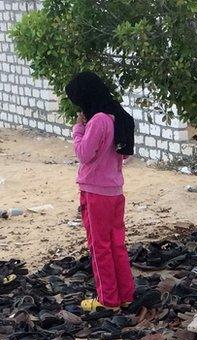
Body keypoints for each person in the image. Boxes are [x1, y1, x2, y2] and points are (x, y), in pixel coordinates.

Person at [65, 72, 137, 311]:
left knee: (99, 247)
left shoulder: (97, 121)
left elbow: (84, 154)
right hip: (115, 190)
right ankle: (125, 294)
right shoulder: (117, 118)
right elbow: (123, 154)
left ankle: (107, 299)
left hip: (96, 192)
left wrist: (78, 129)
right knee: (116, 244)